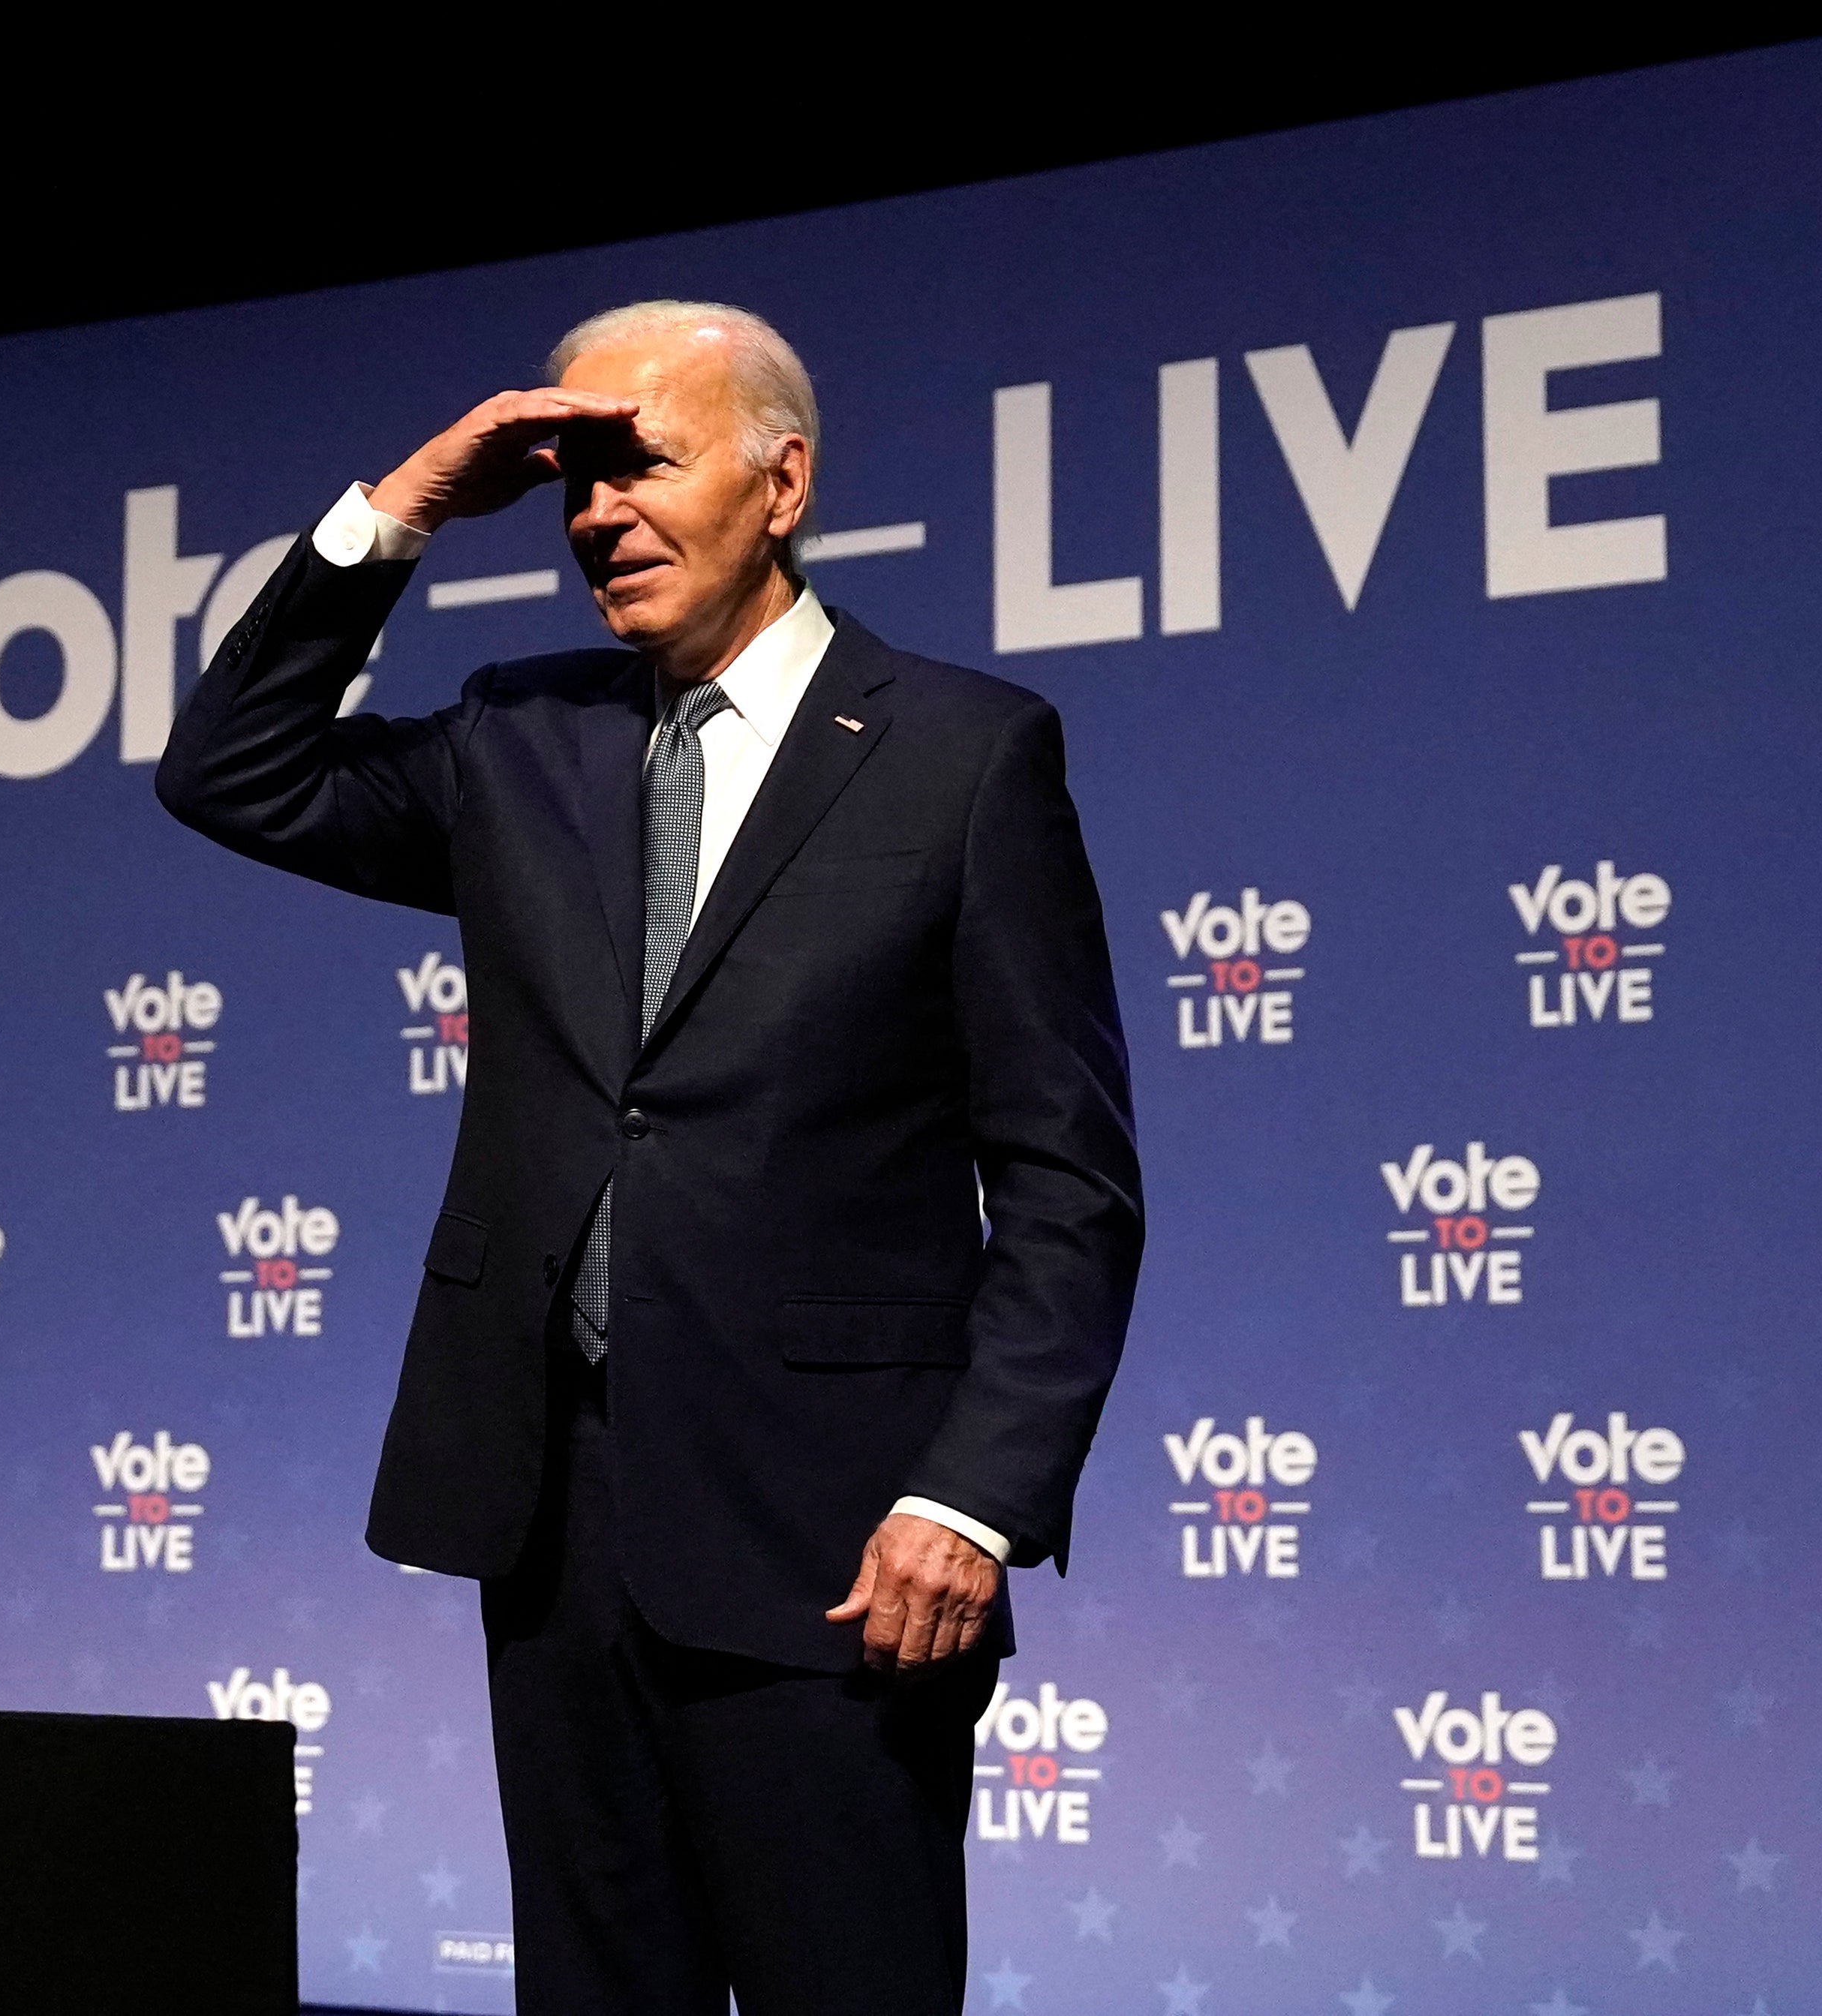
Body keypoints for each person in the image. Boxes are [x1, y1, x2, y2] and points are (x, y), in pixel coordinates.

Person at [157, 299, 1142, 2013]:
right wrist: (398, 506)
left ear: (785, 483)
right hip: (554, 1515)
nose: (597, 513)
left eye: (643, 466)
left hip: (842, 1532)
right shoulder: (520, 734)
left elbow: (1066, 1180)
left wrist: (971, 1497)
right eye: (573, 482)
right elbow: (232, 773)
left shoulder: (966, 755)